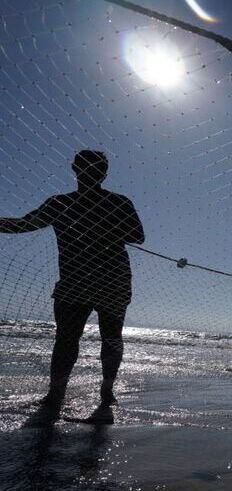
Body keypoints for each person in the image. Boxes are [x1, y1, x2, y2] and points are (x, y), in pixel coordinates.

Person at [0, 150, 145, 409]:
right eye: (87, 167)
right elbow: (23, 225)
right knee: (68, 339)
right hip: (78, 281)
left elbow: (137, 235)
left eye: (96, 168)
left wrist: (99, 225)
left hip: (111, 280)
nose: (91, 172)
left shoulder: (117, 202)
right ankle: (57, 393)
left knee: (108, 338)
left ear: (102, 173)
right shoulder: (60, 203)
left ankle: (105, 391)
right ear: (76, 169)